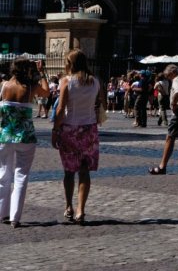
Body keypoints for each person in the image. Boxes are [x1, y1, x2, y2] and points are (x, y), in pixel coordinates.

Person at [51, 48, 104, 225]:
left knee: (69, 171)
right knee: (84, 170)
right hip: (89, 129)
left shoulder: (66, 81)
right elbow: (98, 103)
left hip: (70, 129)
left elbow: (60, 109)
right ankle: (81, 209)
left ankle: (68, 206)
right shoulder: (95, 82)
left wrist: (55, 130)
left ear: (70, 64)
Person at [0, 58, 49, 227]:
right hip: (25, 136)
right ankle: (15, 217)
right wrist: (40, 72)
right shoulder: (29, 88)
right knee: (21, 176)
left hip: (5, 136)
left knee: (3, 175)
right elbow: (46, 92)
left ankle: (2, 213)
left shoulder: (3, 86)